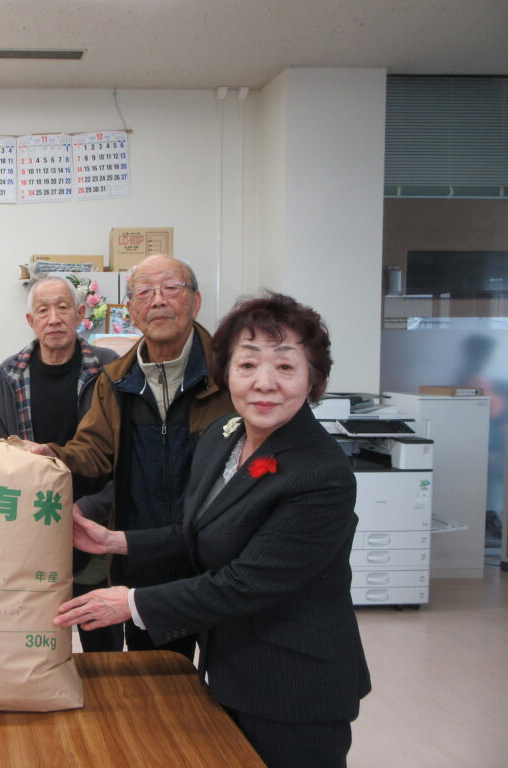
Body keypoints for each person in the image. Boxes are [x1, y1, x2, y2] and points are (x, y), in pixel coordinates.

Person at [54, 292, 371, 768]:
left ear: (313, 379)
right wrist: (114, 541)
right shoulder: (225, 436)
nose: (264, 383)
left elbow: (244, 583)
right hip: (230, 667)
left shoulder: (320, 473)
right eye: (248, 365)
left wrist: (131, 603)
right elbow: (197, 531)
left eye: (285, 367)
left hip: (295, 689)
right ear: (227, 374)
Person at [32, 254, 232, 656]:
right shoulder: (116, 380)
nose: (158, 300)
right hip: (144, 557)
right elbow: (92, 454)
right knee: (155, 675)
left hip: (220, 555)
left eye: (171, 288)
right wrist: (46, 455)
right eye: (144, 292)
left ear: (195, 302)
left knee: (230, 670)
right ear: (132, 311)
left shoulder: (229, 373)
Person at [0, 274, 122, 651]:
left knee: (100, 635)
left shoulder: (110, 369)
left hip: (96, 522)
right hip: (31, 526)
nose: (54, 318)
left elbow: (127, 455)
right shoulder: (9, 375)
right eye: (43, 310)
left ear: (80, 313)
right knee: (33, 633)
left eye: (63, 308)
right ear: (31, 321)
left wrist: (88, 508)